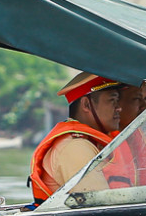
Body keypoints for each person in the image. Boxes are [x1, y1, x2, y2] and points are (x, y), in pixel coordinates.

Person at [29, 71, 125, 203]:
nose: (119, 108)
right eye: (112, 100)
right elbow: (100, 204)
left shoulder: (91, 143)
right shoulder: (76, 147)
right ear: (86, 105)